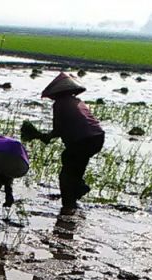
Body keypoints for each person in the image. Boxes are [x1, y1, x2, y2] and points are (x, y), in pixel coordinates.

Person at [35, 73, 107, 211]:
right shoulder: (77, 101)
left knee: (66, 174)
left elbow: (57, 130)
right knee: (75, 166)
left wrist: (45, 137)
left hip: (82, 140)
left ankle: (68, 205)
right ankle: (77, 190)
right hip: (97, 138)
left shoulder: (59, 104)